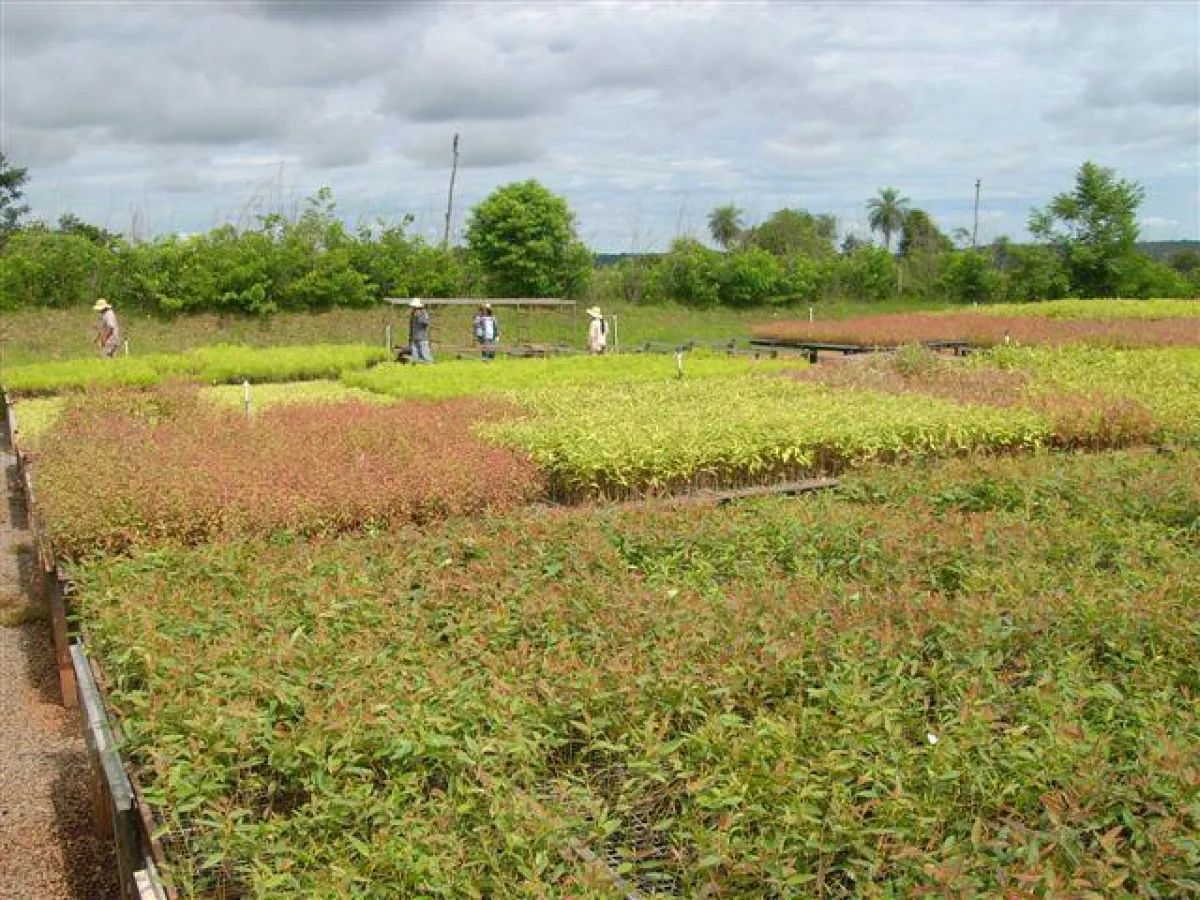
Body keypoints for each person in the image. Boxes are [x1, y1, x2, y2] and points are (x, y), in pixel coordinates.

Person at [408, 298, 433, 363]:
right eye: (413, 307)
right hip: (414, 339)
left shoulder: (423, 313)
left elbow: (426, 323)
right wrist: (410, 338)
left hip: (422, 339)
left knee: (426, 357)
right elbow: (411, 326)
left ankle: (431, 366)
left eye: (414, 306)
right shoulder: (412, 314)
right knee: (415, 358)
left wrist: (419, 316)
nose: (413, 308)